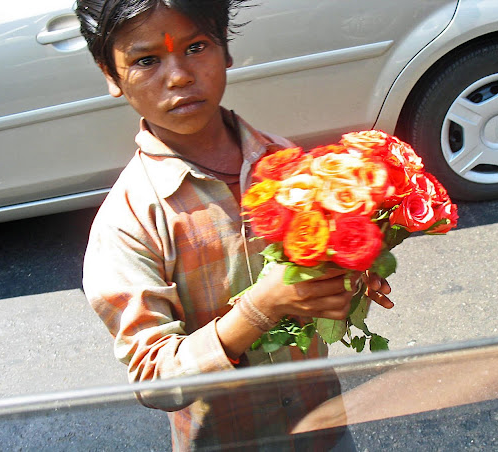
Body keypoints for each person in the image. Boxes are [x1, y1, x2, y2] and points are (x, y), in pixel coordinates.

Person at [75, 0, 393, 449]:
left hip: (323, 426)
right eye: (147, 60)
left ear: (226, 50)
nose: (180, 75)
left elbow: (319, 276)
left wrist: (351, 277)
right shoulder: (128, 222)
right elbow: (156, 381)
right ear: (110, 74)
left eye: (196, 46)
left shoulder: (287, 165)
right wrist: (261, 309)